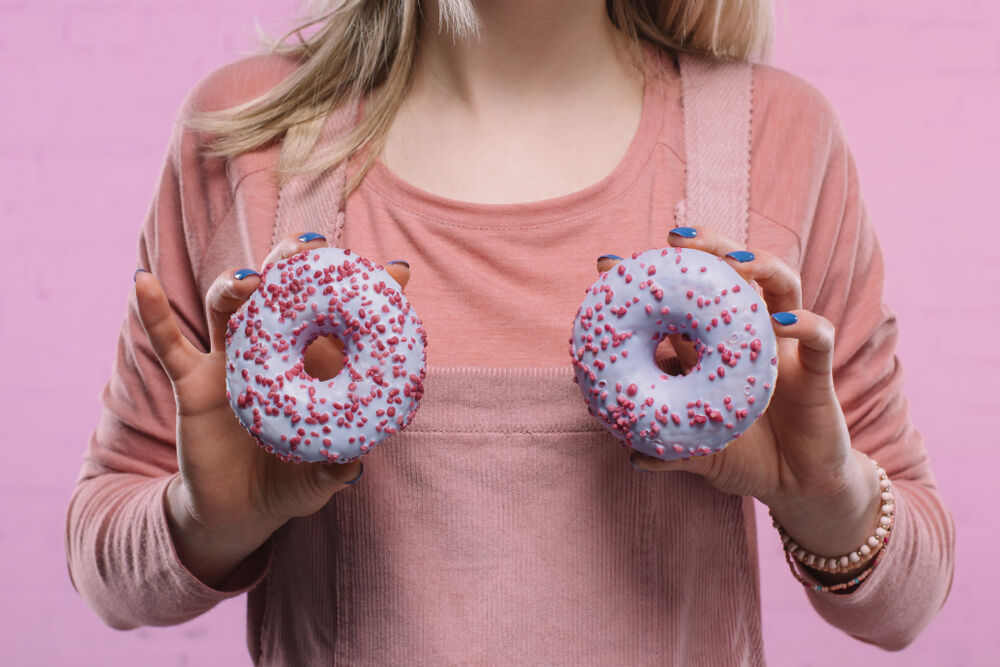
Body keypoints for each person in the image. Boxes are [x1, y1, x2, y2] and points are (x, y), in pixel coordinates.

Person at [66, 1, 955, 664]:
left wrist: (825, 490)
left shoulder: (774, 135)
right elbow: (105, 562)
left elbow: (906, 600)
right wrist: (207, 517)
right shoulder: (249, 136)